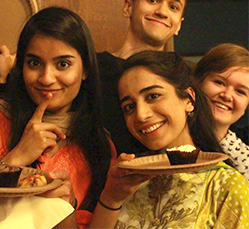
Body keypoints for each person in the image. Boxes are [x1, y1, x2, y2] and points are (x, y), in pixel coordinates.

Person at [0, 0, 191, 155]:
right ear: (128, 7)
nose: (162, 11)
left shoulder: (185, 79)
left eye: (173, 6)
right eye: (153, 0)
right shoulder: (86, 70)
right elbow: (21, 116)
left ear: (179, 24)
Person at [0, 7, 112, 228]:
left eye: (62, 64)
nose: (46, 78)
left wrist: (69, 205)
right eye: (34, 63)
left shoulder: (98, 145)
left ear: (85, 71)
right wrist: (17, 158)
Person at [89, 51, 249, 228]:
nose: (141, 115)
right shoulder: (126, 179)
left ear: (189, 99)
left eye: (153, 96)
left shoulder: (225, 184)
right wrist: (111, 198)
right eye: (129, 107)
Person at [193, 43, 249, 180]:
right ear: (197, 83)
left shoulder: (245, 157)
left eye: (240, 92)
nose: (227, 95)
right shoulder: (173, 140)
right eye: (219, 82)